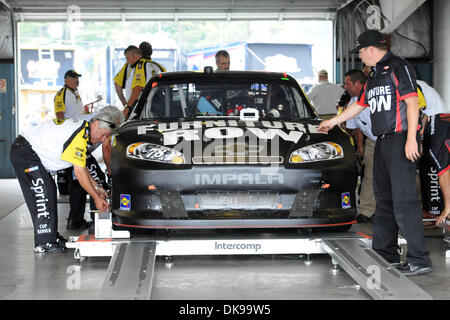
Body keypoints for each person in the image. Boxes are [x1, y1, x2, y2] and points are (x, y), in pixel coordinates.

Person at [318, 29, 432, 276]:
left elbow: (412, 103)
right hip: (382, 141)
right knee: (385, 201)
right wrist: (333, 122)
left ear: (370, 49)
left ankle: (419, 259)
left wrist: (411, 139)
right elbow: (360, 105)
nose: (359, 57)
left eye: (359, 51)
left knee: (404, 201)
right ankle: (386, 254)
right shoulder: (374, 74)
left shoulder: (398, 67)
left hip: (401, 139)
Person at [10, 106, 124, 253]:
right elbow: (79, 171)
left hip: (30, 153)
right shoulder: (79, 134)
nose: (102, 140)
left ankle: (50, 236)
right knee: (43, 193)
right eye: (103, 135)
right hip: (25, 152)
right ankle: (44, 242)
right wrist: (96, 197)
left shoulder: (83, 131)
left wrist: (96, 187)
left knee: (49, 189)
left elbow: (82, 168)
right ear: (96, 124)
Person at [343, 69, 376, 223]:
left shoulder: (374, 95)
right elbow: (356, 127)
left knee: (393, 175)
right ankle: (367, 211)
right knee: (369, 175)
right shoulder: (352, 102)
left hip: (391, 139)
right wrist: (360, 146)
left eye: (347, 83)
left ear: (358, 84)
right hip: (371, 141)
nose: (345, 87)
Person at [114, 45, 164, 119]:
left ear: (132, 55)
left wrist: (127, 106)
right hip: (160, 108)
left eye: (127, 58)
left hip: (140, 109)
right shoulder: (159, 66)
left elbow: (137, 88)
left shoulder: (139, 66)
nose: (127, 61)